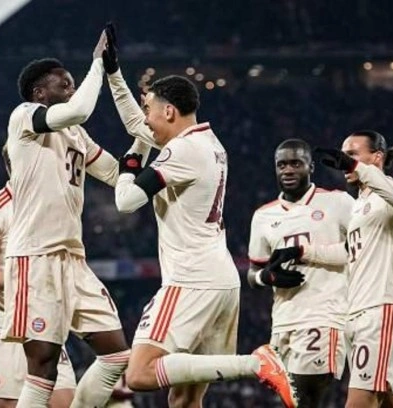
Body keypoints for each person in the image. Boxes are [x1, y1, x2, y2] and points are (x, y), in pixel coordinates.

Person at [103, 24, 297, 408]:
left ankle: (255, 363)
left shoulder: (182, 152)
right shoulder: (207, 143)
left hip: (190, 281)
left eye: (149, 110)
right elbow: (139, 126)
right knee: (185, 401)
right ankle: (254, 364)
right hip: (220, 281)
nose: (145, 119)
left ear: (169, 111)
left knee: (140, 373)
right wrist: (114, 75)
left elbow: (126, 201)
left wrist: (130, 162)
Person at [1, 27, 151, 407]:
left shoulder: (77, 135)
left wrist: (145, 137)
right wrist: (98, 64)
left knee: (117, 355)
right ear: (40, 93)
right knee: (44, 367)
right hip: (36, 256)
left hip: (74, 259)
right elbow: (80, 108)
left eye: (72, 85)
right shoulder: (24, 117)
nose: (71, 90)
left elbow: (118, 174)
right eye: (64, 85)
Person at [308, 131, 393, 408]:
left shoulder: (392, 195)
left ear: (377, 157)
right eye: (343, 155)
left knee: (360, 401)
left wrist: (356, 167)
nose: (344, 161)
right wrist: (303, 252)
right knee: (390, 403)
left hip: (382, 309)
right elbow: (349, 252)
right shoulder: (359, 206)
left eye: (352, 154)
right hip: (358, 312)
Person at [246, 139, 354, 407]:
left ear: (311, 167)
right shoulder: (263, 216)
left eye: (296, 163)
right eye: (281, 165)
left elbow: (362, 250)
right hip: (283, 322)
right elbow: (253, 272)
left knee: (305, 399)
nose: (288, 170)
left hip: (324, 315)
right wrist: (265, 277)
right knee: (294, 402)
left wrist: (305, 252)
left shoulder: (338, 202)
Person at [0, 145, 76, 407]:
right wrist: (29, 282)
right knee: (7, 404)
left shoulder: (50, 204)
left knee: (65, 401)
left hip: (45, 318)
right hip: (6, 322)